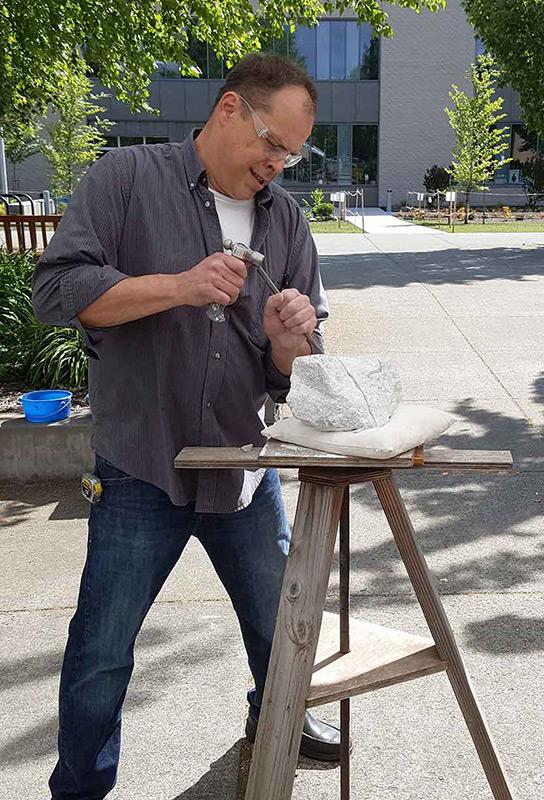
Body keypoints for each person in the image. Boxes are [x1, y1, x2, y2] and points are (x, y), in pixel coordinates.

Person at [33, 52, 338, 800]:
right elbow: (57, 291)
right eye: (272, 142)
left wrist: (288, 336)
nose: (278, 163)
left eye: (292, 152)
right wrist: (179, 285)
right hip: (142, 464)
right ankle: (79, 785)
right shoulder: (127, 180)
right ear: (229, 109)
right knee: (103, 652)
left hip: (242, 463)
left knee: (283, 628)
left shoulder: (288, 219)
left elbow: (299, 372)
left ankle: (281, 721)